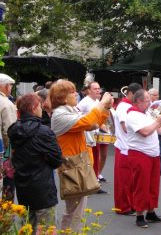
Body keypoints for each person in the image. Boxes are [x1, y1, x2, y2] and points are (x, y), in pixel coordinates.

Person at [50, 80, 112, 231]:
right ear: (63, 97)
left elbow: (94, 124)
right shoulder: (60, 114)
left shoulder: (69, 110)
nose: (76, 93)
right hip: (71, 165)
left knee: (78, 208)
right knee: (74, 210)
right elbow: (88, 121)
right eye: (72, 92)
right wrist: (101, 103)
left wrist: (106, 107)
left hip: (78, 163)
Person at [8, 93, 63, 231]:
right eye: (39, 106)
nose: (41, 109)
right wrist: (44, 157)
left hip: (23, 186)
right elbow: (57, 160)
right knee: (47, 228)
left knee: (27, 227)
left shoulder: (14, 130)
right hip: (43, 187)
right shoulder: (44, 132)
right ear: (33, 108)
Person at [125, 89, 161, 228]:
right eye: (147, 100)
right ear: (138, 101)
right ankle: (139, 215)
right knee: (141, 186)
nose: (150, 103)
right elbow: (145, 132)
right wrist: (158, 121)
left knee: (152, 185)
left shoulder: (146, 113)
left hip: (152, 154)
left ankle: (150, 212)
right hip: (140, 154)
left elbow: (157, 130)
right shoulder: (132, 114)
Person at [113, 82, 141, 216]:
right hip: (124, 147)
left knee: (131, 180)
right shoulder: (123, 106)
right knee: (124, 181)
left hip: (129, 147)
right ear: (130, 94)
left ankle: (130, 205)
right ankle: (123, 207)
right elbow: (125, 127)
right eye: (137, 96)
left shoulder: (129, 105)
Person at [76, 81, 108, 192]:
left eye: (99, 88)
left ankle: (93, 183)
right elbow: (77, 114)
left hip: (94, 134)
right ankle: (87, 185)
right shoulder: (85, 102)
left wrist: (102, 124)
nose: (98, 90)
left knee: (94, 159)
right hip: (86, 135)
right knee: (88, 160)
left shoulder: (97, 101)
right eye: (95, 89)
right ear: (88, 90)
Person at [0, 73, 17, 201]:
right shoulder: (6, 103)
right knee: (7, 182)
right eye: (10, 85)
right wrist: (10, 154)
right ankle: (5, 215)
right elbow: (9, 132)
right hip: (4, 151)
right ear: (5, 87)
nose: (11, 88)